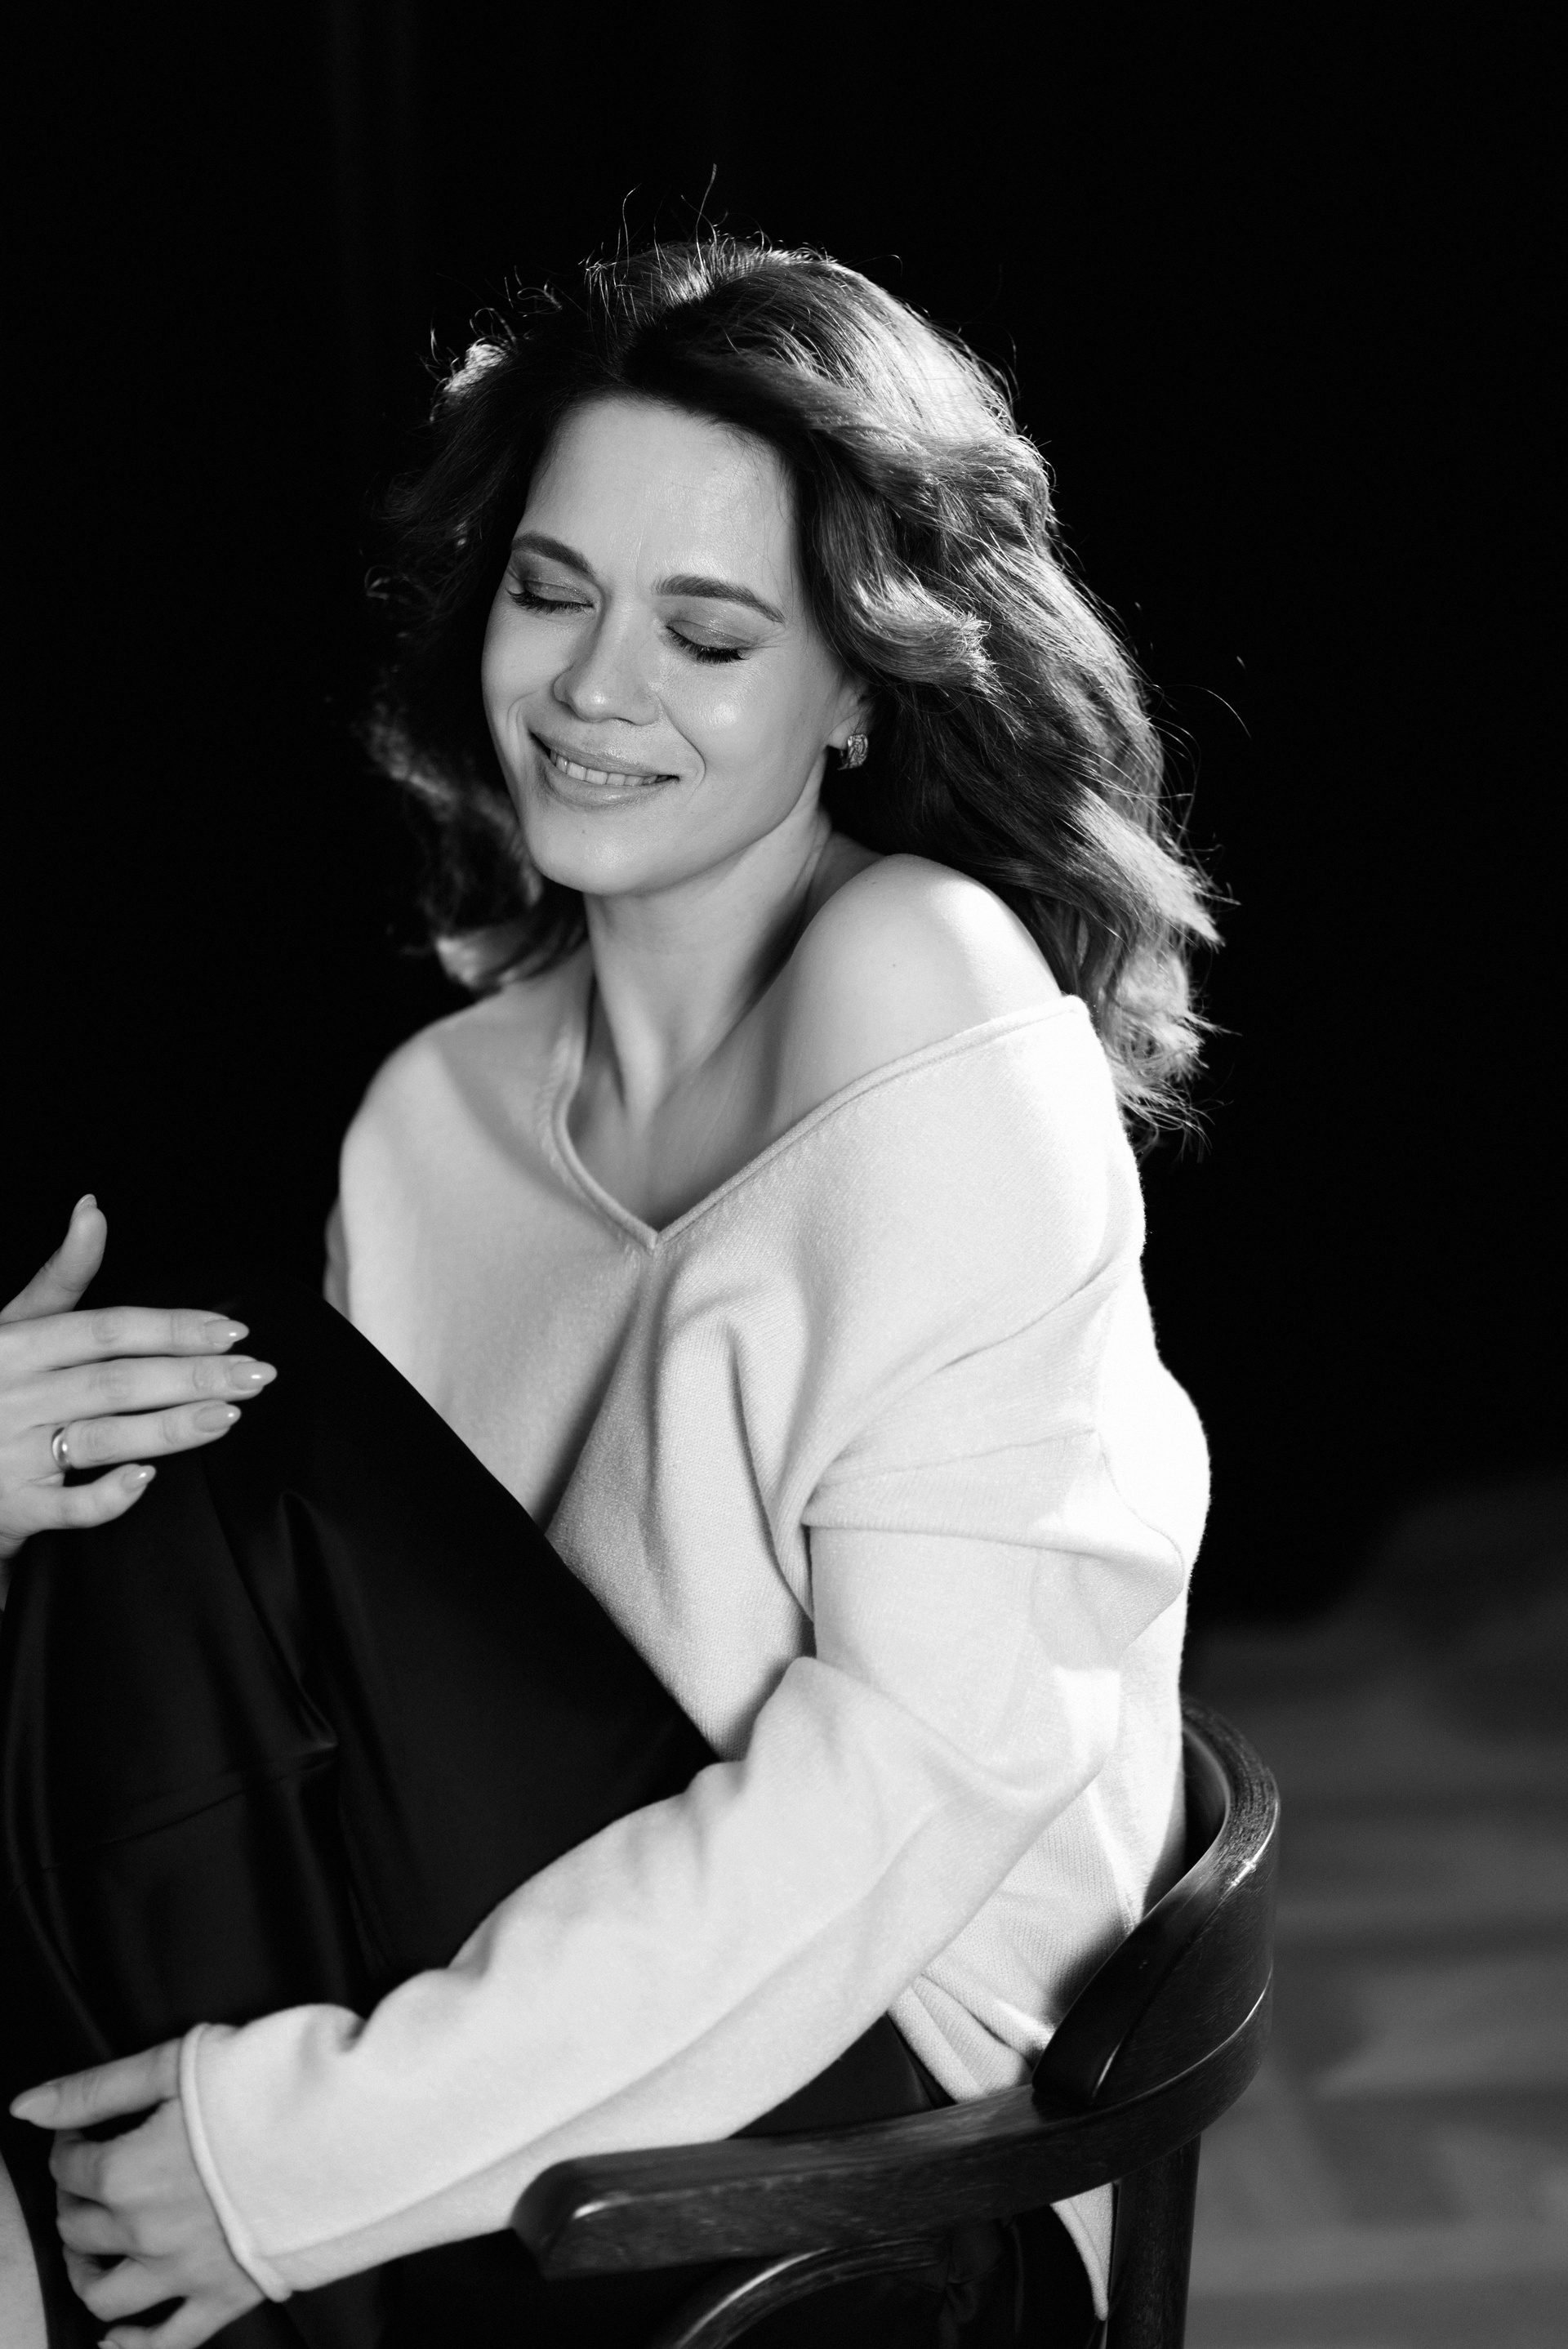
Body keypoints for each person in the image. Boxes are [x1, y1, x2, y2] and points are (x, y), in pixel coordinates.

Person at [0, 234, 1218, 2347]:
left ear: (863, 687)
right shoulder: (436, 1116)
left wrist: (295, 2159)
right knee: (130, 1447)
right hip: (534, 2065)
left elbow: (907, 1794)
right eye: (552, 591)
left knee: (211, 1399)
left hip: (879, 2175)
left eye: (710, 632)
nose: (591, 687)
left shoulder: (926, 998)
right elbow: (331, 1765)